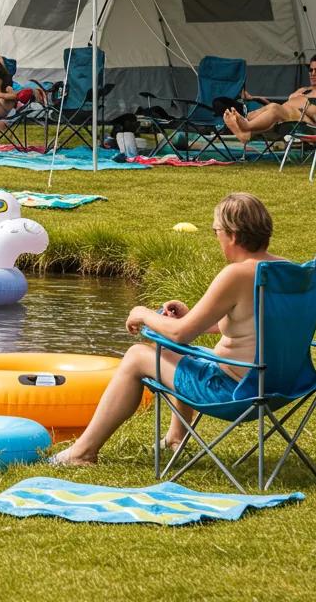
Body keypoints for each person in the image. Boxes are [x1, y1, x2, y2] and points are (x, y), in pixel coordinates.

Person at [50, 192, 282, 466]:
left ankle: (82, 453)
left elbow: (179, 334)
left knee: (138, 356)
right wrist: (190, 316)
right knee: (175, 352)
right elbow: (252, 323)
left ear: (231, 234)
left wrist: (143, 314)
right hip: (284, 384)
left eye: (215, 231)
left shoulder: (237, 274)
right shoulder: (291, 271)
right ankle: (175, 438)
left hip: (236, 390)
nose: (216, 237)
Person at [222, 52, 316, 144]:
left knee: (274, 108)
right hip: (285, 120)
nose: (313, 74)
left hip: (310, 126)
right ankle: (246, 133)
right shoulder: (304, 90)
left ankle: (246, 127)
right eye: (311, 70)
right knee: (262, 110)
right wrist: (255, 97)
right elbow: (286, 105)